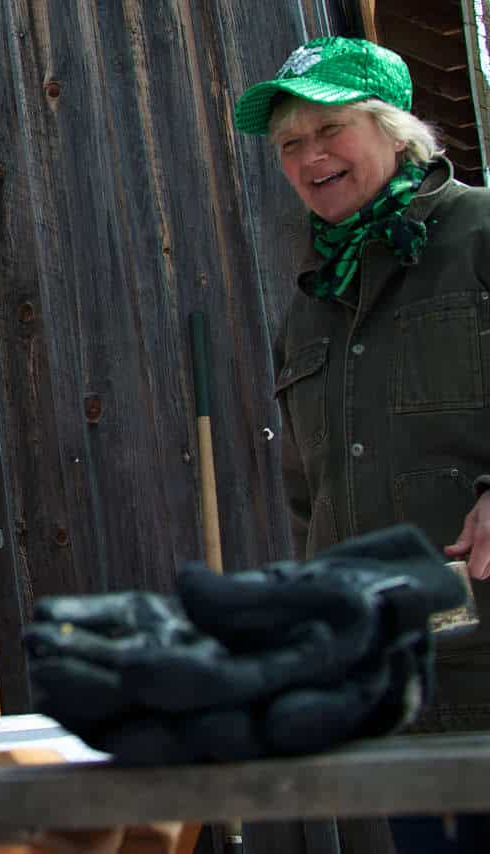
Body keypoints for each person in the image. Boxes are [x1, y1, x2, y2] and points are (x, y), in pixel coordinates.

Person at [235, 36, 490, 851]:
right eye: (289, 145)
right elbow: (309, 498)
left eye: (329, 129)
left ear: (394, 130)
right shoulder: (313, 304)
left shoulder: (480, 232)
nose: (309, 158)